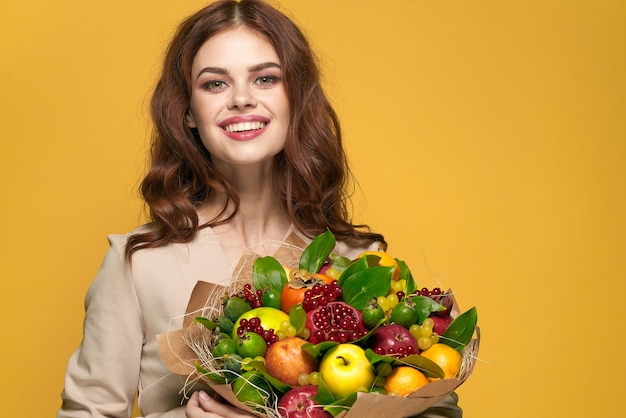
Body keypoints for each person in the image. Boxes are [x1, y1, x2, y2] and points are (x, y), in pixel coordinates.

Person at [58, 1, 462, 417]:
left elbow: (434, 406)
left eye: (265, 78)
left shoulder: (360, 261)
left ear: (295, 98)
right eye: (214, 84)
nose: (242, 99)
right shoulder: (138, 264)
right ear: (188, 112)